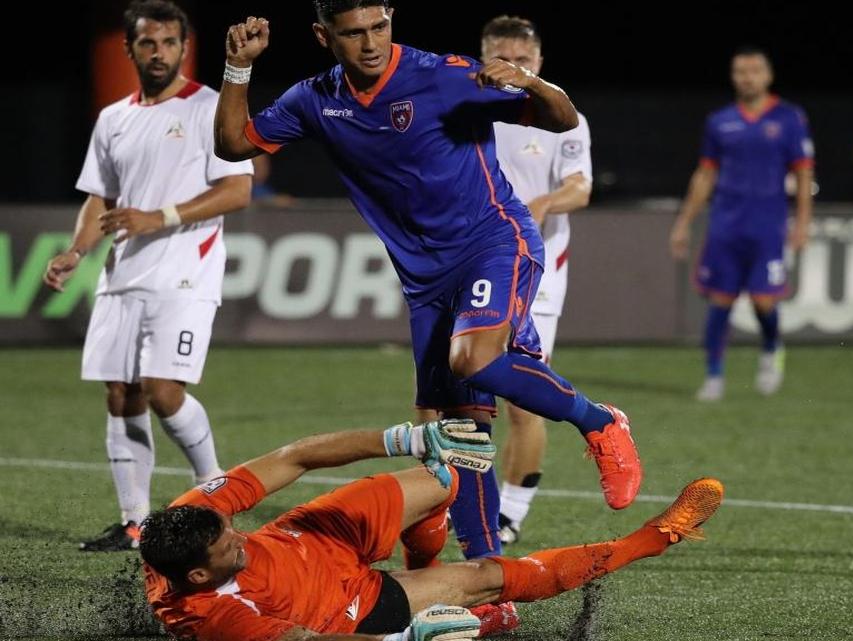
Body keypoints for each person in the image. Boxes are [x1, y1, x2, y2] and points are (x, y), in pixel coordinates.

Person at [211, 0, 640, 587]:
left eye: (379, 27)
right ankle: (489, 580)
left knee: (475, 358)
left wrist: (529, 81)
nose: (370, 43)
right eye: (353, 33)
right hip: (425, 282)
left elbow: (563, 119)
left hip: (495, 241)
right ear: (323, 36)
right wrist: (238, 70)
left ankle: (600, 423)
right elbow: (234, 145)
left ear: (391, 20)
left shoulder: (442, 75)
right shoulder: (314, 99)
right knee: (462, 433)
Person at [140, 419, 723, 641]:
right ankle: (655, 537)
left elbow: (293, 457)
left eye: (230, 528)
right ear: (198, 575)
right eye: (228, 546)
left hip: (311, 537)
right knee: (485, 578)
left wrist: (407, 438)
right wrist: (405, 640)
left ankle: (424, 568)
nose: (239, 534)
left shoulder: (187, 518)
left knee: (443, 475)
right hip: (343, 607)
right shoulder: (217, 620)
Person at [41, 0, 253, 552]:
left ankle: (219, 500)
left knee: (162, 390)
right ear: (129, 49)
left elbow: (238, 189)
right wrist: (76, 251)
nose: (158, 53)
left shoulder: (210, 108)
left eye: (168, 43)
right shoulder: (114, 118)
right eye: (147, 43)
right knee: (120, 393)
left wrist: (160, 217)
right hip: (122, 275)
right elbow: (100, 197)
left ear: (184, 47)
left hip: (184, 273)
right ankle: (134, 522)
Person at [477, 16, 593, 548]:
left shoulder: (562, 116)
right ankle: (453, 499)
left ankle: (512, 509)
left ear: (539, 63)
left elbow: (579, 189)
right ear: (484, 56)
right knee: (459, 396)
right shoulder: (469, 110)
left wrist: (541, 204)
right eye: (504, 58)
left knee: (522, 397)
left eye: (524, 60)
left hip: (538, 273)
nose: (514, 69)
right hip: (474, 266)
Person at [669, 47, 814, 402]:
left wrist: (803, 223)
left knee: (765, 303)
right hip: (726, 224)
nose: (746, 78)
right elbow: (705, 174)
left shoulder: (789, 118)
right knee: (721, 300)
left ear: (768, 76)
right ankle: (714, 375)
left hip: (767, 225)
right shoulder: (720, 121)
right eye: (739, 72)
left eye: (753, 71)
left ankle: (770, 349)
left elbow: (804, 171)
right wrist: (684, 222)